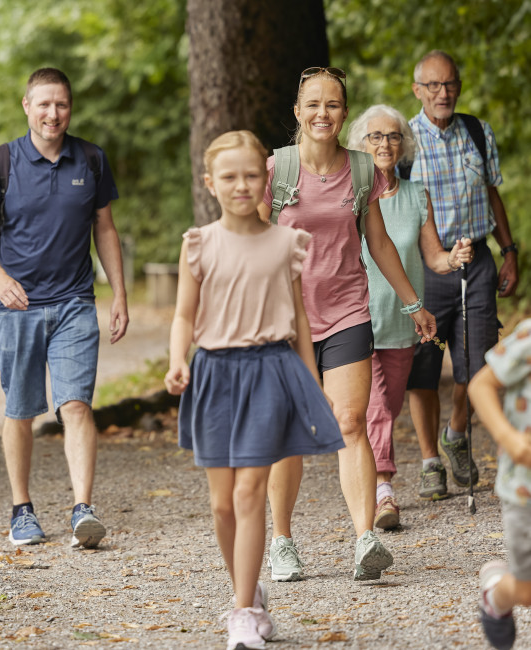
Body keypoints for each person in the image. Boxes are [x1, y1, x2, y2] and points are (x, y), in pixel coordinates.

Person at [165, 130, 344, 650]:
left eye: (250, 175)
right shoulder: (198, 245)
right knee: (222, 504)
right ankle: (248, 589)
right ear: (210, 183)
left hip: (270, 371)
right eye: (229, 177)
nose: (241, 185)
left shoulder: (288, 242)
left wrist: (312, 382)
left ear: (264, 178)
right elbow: (183, 315)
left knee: (249, 493)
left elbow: (303, 322)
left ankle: (242, 613)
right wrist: (179, 360)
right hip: (215, 375)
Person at [259, 67, 437, 583]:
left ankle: (365, 540)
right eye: (313, 104)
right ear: (297, 111)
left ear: (344, 111)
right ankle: (283, 542)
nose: (323, 114)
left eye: (333, 104)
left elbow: (377, 242)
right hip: (287, 319)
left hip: (346, 311)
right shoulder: (276, 170)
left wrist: (412, 303)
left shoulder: (362, 170)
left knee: (350, 422)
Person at [0, 68, 129, 549]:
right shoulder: (2, 162)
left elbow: (105, 230)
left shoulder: (92, 159)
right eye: (43, 104)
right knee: (20, 410)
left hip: (75, 302)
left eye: (61, 104)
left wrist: (119, 293)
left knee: (76, 405)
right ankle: (22, 510)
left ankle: (83, 508)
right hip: (16, 307)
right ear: (26, 106)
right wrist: (0, 281)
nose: (52, 113)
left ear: (70, 108)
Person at [346, 104, 473, 529]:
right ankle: (383, 491)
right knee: (377, 406)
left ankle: (371, 476)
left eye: (394, 136)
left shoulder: (417, 195)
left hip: (403, 321)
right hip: (356, 318)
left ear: (404, 144)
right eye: (376, 136)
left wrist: (453, 258)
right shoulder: (351, 192)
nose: (385, 143)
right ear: (361, 144)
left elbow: (433, 257)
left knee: (391, 402)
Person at [404, 50, 520, 502]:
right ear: (417, 91)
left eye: (449, 84)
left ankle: (456, 434)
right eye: (432, 85)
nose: (442, 93)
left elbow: (493, 195)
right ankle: (430, 459)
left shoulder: (477, 131)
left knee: (477, 367)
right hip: (428, 267)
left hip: (478, 262)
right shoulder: (405, 141)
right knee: (424, 369)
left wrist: (508, 252)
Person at [468, 319, 531, 650]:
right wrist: (511, 440)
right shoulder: (529, 336)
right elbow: (480, 385)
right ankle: (496, 591)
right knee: (527, 592)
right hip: (525, 490)